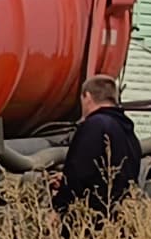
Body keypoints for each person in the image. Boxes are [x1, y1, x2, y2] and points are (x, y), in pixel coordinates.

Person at [58, 73, 142, 225]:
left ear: (88, 97)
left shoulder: (95, 125)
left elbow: (78, 172)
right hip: (117, 221)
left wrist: (59, 207)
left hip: (92, 221)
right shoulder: (127, 129)